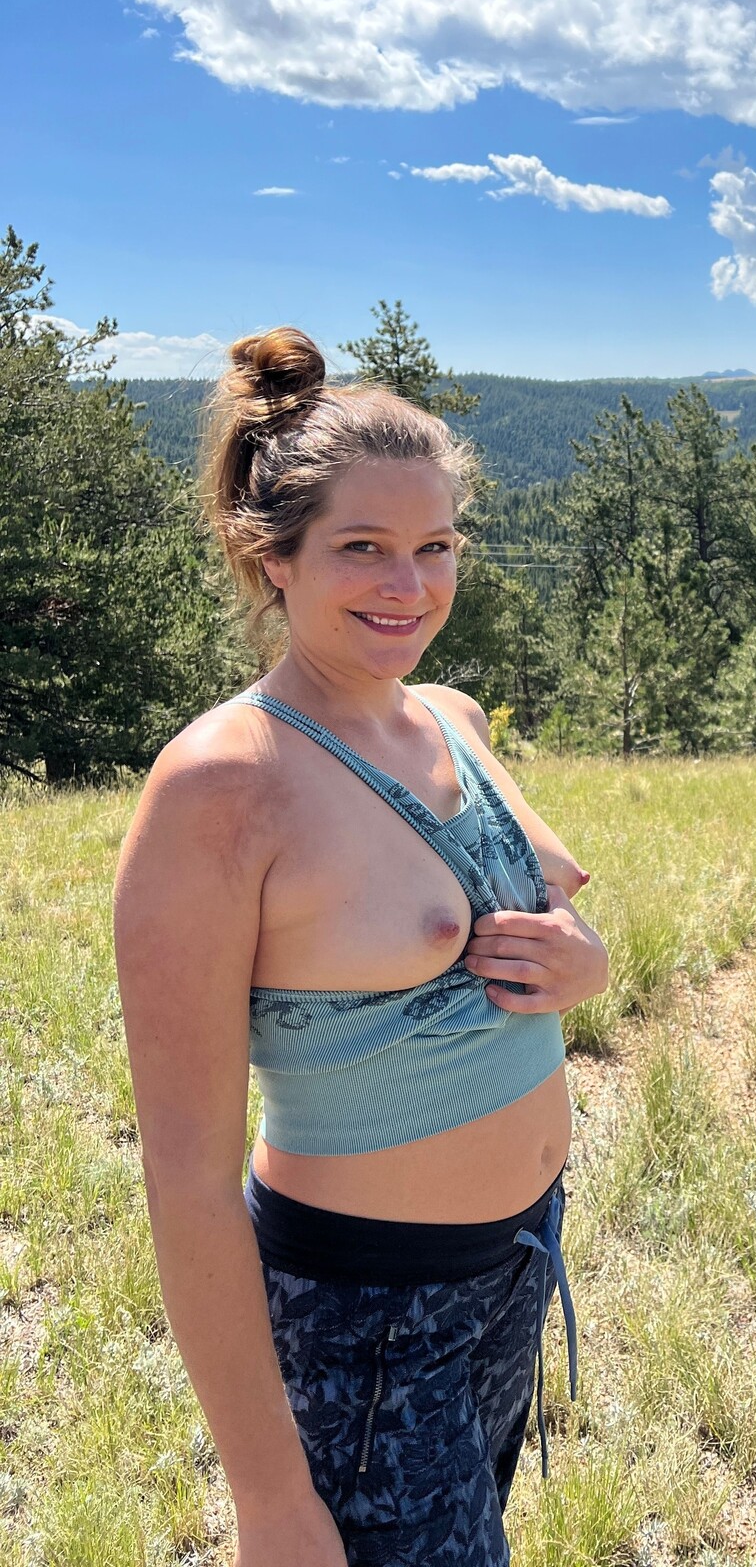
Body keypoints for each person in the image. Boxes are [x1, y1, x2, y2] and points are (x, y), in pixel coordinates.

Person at [112, 326, 609, 1567]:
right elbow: (185, 1179)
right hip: (365, 1315)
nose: (411, 583)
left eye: (437, 545)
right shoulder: (223, 786)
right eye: (364, 547)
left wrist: (586, 963)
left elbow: (555, 907)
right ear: (271, 556)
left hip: (515, 1263)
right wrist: (270, 1501)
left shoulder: (451, 717)